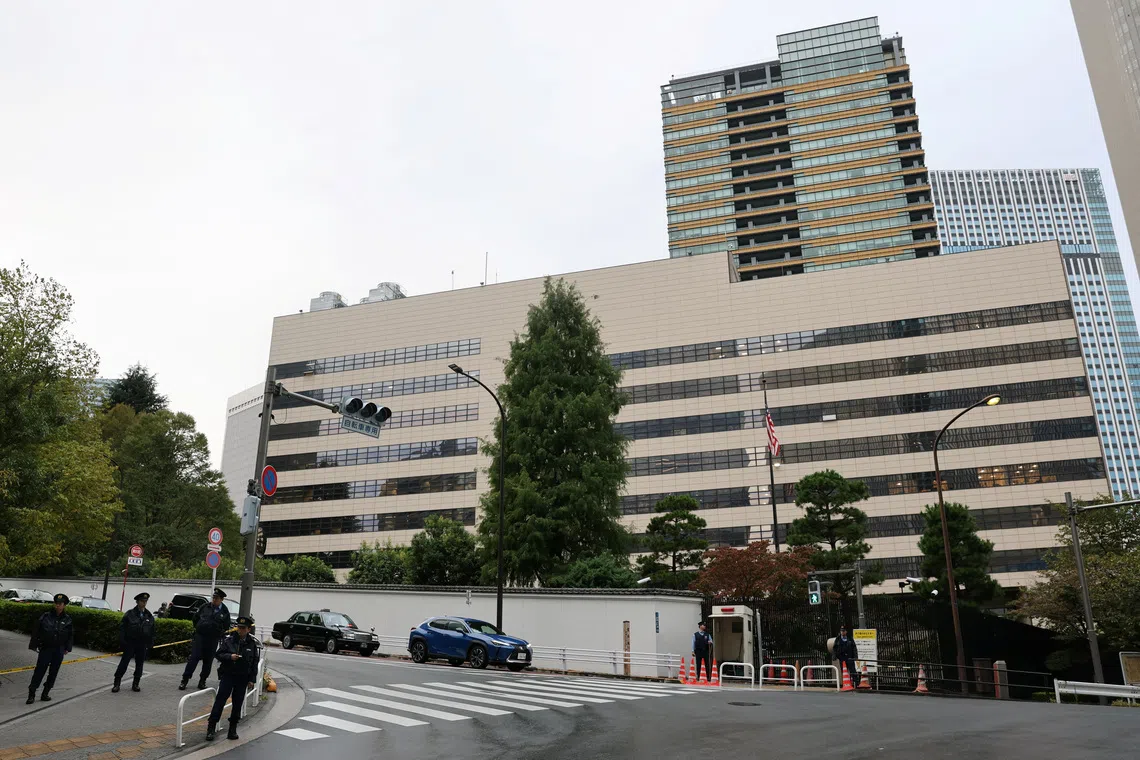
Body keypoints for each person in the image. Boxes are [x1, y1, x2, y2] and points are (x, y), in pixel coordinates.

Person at [206, 616, 260, 741]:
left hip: (242, 678)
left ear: (248, 629)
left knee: (237, 704)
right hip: (228, 675)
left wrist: (252, 679)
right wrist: (230, 657)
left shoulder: (252, 644)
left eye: (243, 628)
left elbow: (254, 663)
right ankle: (211, 728)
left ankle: (232, 729)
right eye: (239, 627)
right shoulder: (229, 641)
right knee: (220, 701)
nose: (240, 630)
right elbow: (218, 654)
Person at [27, 593, 74, 705]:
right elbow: (36, 630)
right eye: (56, 603)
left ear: (64, 605)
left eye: (60, 604)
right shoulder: (46, 616)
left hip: (59, 650)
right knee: (39, 671)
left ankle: (45, 693)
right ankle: (31, 694)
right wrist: (34, 644)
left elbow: (70, 635)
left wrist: (68, 648)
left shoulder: (67, 619)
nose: (58, 606)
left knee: (53, 672)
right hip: (46, 648)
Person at [181, 588, 231, 690]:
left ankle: (202, 681)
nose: (214, 600)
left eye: (216, 598)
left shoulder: (225, 611)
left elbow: (226, 626)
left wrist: (218, 632)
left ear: (221, 599)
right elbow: (195, 618)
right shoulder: (205, 606)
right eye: (213, 598)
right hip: (200, 637)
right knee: (194, 658)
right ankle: (185, 679)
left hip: (213, 639)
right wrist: (199, 628)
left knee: (208, 661)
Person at [113, 592, 155, 693]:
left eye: (145, 601)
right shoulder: (130, 614)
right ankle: (117, 683)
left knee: (139, 664)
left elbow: (152, 631)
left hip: (142, 643)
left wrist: (150, 644)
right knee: (124, 663)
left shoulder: (149, 615)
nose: (144, 603)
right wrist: (123, 642)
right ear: (137, 602)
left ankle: (136, 683)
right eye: (142, 601)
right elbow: (122, 628)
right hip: (130, 642)